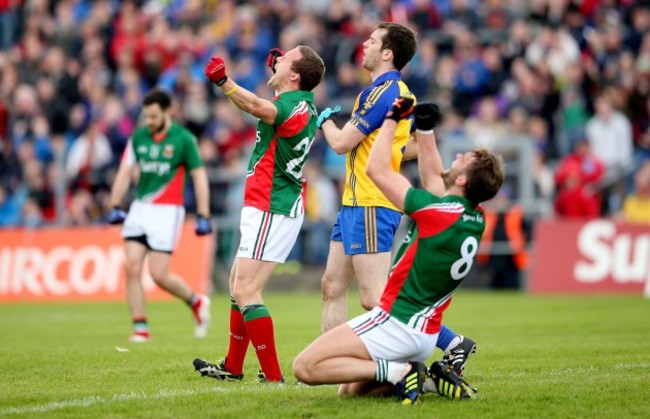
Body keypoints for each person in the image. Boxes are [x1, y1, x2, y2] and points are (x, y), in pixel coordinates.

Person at [293, 98, 505, 404]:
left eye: (463, 158)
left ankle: (401, 372)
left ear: (461, 179)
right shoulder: (473, 216)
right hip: (424, 335)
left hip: (396, 323)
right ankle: (425, 378)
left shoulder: (438, 211)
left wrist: (392, 119)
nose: (457, 155)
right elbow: (434, 179)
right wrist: (426, 130)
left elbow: (376, 170)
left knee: (306, 367)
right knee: (351, 389)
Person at [317, 21, 476, 374]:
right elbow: (401, 151)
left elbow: (342, 143)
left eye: (371, 41)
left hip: (372, 203)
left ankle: (443, 346)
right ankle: (331, 366)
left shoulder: (383, 92)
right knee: (332, 286)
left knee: (374, 298)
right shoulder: (395, 92)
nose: (364, 44)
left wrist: (323, 120)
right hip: (354, 202)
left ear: (387, 53)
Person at [193, 45, 325, 383]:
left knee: (247, 290)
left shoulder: (293, 105)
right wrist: (278, 76)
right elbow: (270, 101)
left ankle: (274, 377)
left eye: (285, 58)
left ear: (296, 75)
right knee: (237, 284)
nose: (276, 57)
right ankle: (234, 367)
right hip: (267, 202)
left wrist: (224, 82)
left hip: (273, 204)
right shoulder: (297, 102)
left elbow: (255, 106)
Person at [106, 88, 214, 343]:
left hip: (168, 211)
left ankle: (196, 302)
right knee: (131, 267)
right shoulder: (139, 138)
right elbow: (124, 171)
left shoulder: (184, 139)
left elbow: (199, 176)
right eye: (146, 117)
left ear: (168, 112)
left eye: (154, 116)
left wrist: (203, 213)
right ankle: (140, 328)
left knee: (158, 274)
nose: (149, 122)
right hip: (140, 209)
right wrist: (114, 204)